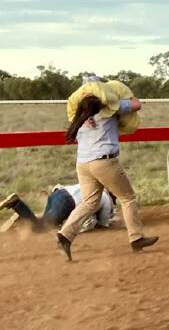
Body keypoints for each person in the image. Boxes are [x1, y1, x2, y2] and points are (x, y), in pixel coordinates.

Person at [57, 79, 158, 261]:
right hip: (104, 162)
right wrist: (114, 99)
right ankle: (136, 238)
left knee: (90, 203)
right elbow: (137, 104)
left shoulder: (77, 117)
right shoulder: (111, 109)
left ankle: (65, 235)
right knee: (128, 198)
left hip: (83, 163)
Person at [1, 186, 113, 234]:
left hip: (58, 193)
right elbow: (103, 225)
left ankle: (24, 216)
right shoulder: (107, 199)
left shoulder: (92, 185)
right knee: (41, 228)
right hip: (67, 202)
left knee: (46, 223)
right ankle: (17, 204)